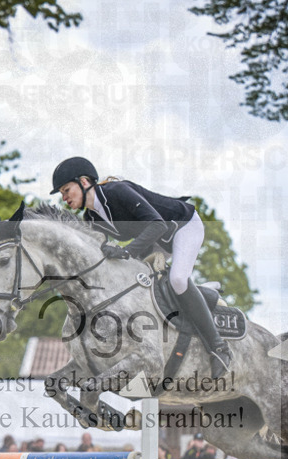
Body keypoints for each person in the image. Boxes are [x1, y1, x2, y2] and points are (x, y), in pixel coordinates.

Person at [50, 156, 231, 377]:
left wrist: (127, 251)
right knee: (135, 282)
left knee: (177, 280)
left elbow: (158, 225)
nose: (64, 197)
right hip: (155, 239)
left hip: (182, 226)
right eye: (62, 193)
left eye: (66, 190)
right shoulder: (91, 217)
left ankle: (219, 347)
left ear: (84, 182)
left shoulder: (117, 191)